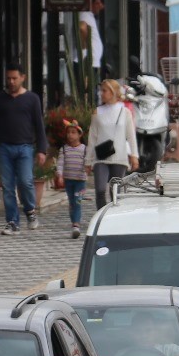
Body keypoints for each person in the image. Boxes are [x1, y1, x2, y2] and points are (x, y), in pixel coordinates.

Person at [0, 64, 48, 235]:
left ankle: (30, 211)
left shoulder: (32, 99)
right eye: (8, 78)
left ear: (22, 78)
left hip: (25, 147)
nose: (11, 82)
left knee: (26, 182)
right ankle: (12, 221)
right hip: (4, 147)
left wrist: (42, 149)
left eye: (14, 78)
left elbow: (39, 125)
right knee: (7, 185)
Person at [88, 78, 139, 210]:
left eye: (104, 91)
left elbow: (131, 135)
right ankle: (100, 217)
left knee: (115, 192)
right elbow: (92, 137)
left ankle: (114, 217)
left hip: (119, 157)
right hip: (101, 156)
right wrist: (88, 161)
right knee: (99, 190)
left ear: (113, 92)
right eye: (101, 90)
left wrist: (134, 155)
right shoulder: (97, 112)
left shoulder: (125, 112)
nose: (101, 93)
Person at [55, 119, 89, 239]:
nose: (70, 135)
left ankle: (76, 225)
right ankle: (73, 222)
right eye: (69, 132)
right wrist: (59, 175)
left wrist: (88, 168)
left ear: (80, 134)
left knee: (77, 201)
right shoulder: (64, 149)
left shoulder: (84, 149)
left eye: (73, 132)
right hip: (69, 180)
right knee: (72, 203)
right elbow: (60, 163)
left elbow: (87, 162)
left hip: (80, 181)